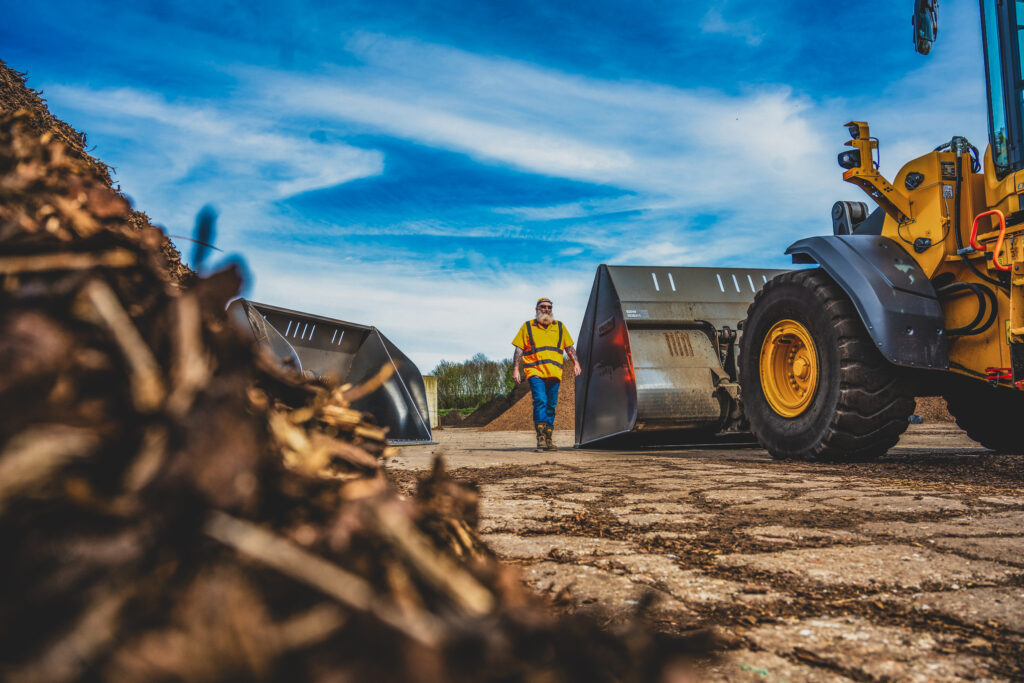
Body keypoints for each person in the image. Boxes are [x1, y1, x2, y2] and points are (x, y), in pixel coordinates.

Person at [511, 297, 581, 452]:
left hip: (554, 373)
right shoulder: (528, 326)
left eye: (549, 307)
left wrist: (576, 363)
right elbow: (518, 350)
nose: (546, 309)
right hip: (535, 372)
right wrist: (516, 368)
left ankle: (549, 438)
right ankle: (540, 438)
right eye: (543, 307)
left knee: (551, 405)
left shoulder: (560, 327)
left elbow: (569, 348)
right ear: (537, 308)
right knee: (540, 401)